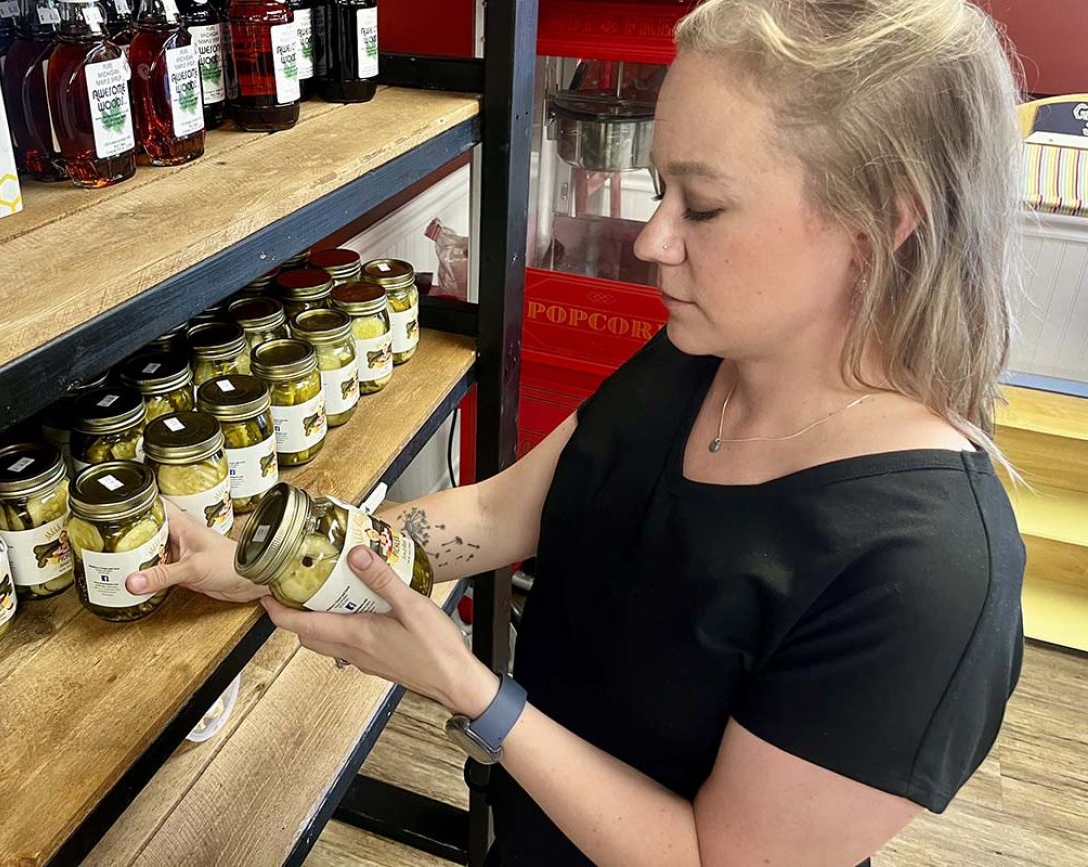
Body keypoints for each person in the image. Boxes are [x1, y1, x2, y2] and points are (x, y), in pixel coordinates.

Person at [125, 0, 1026, 863]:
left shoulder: (929, 575)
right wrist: (271, 556)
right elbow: (499, 513)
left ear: (885, 221)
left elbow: (715, 857)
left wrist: (472, 691)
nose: (651, 241)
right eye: (659, 186)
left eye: (702, 207)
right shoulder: (696, 356)